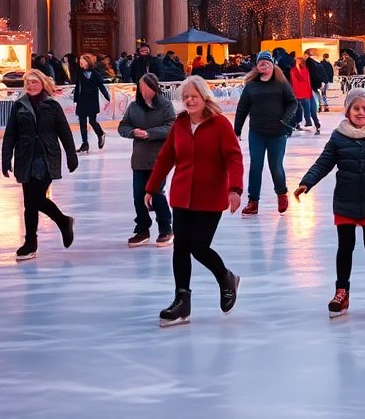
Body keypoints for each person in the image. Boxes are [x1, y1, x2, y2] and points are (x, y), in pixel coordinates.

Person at [295, 87, 365, 318]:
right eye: (356, 108)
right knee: (345, 247)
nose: (360, 112)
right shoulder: (339, 136)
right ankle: (341, 291)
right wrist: (307, 182)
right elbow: (323, 163)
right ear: (347, 111)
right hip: (346, 199)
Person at [147, 76, 243, 326]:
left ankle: (226, 278)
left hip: (210, 196)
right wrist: (151, 187)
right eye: (186, 96)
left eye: (194, 96)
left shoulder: (220, 124)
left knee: (198, 246)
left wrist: (235, 188)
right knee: (180, 248)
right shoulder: (179, 125)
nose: (189, 100)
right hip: (181, 196)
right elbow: (166, 157)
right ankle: (182, 302)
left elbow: (234, 157)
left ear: (204, 97)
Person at [1, 69, 79, 260]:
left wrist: (71, 155)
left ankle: (53, 226)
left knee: (33, 200)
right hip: (25, 157)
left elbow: (64, 131)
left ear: (43, 84)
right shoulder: (19, 106)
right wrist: (5, 158)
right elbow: (10, 133)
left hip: (46, 157)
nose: (30, 86)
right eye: (28, 83)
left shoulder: (52, 105)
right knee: (30, 203)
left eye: (34, 82)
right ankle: (35, 239)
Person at [234, 51, 297, 217]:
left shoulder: (281, 83)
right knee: (255, 166)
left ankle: (282, 194)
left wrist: (285, 120)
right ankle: (253, 201)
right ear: (257, 66)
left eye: (268, 63)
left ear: (273, 65)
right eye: (261, 63)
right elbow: (242, 108)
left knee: (275, 166)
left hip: (277, 133)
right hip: (257, 133)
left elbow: (292, 103)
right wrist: (237, 129)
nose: (265, 66)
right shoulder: (251, 86)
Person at [120, 73, 177, 247]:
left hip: (159, 159)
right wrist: (132, 132)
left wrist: (150, 133)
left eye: (146, 86)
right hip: (138, 159)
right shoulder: (134, 106)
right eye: (141, 86)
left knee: (157, 194)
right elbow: (123, 126)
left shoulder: (165, 106)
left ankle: (166, 228)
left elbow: (172, 126)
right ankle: (142, 229)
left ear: (154, 87)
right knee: (139, 195)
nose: (143, 90)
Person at [72, 53, 110, 153]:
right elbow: (77, 87)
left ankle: (100, 133)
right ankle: (85, 144)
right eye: (80, 63)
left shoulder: (95, 74)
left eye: (83, 63)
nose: (81, 65)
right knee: (82, 122)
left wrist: (107, 96)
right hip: (82, 100)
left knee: (92, 121)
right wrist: (76, 100)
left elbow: (101, 86)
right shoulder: (79, 73)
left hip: (92, 100)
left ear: (88, 63)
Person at [290, 56, 320, 134]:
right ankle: (314, 124)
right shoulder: (303, 69)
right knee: (310, 109)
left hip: (301, 93)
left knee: (298, 110)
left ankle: (308, 123)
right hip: (306, 93)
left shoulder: (297, 70)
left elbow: (299, 79)